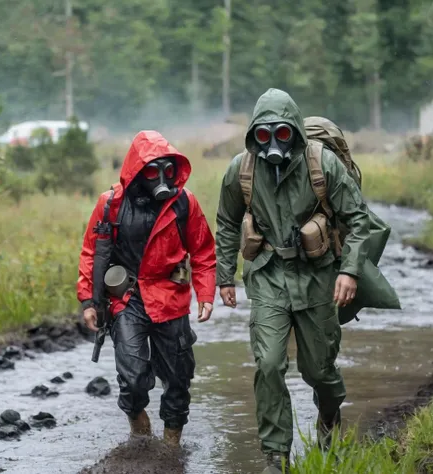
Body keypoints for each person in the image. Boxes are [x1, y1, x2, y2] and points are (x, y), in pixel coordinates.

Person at [216, 88, 372, 472]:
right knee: (268, 364)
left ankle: (330, 416)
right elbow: (226, 222)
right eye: (264, 134)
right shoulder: (242, 169)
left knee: (319, 371)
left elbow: (358, 220)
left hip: (318, 276)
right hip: (268, 275)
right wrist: (225, 277)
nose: (273, 142)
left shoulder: (323, 164)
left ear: (296, 133)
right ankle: (275, 454)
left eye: (282, 133)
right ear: (254, 134)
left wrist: (349, 270)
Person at [77, 130, 216, 446]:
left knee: (179, 379)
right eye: (153, 170)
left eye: (167, 169)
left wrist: (205, 293)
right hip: (128, 300)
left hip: (171, 298)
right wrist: (88, 300)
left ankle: (170, 450)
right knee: (134, 378)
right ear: (137, 171)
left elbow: (204, 250)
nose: (161, 177)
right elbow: (90, 253)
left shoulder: (184, 203)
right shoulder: (111, 205)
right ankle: (139, 433)